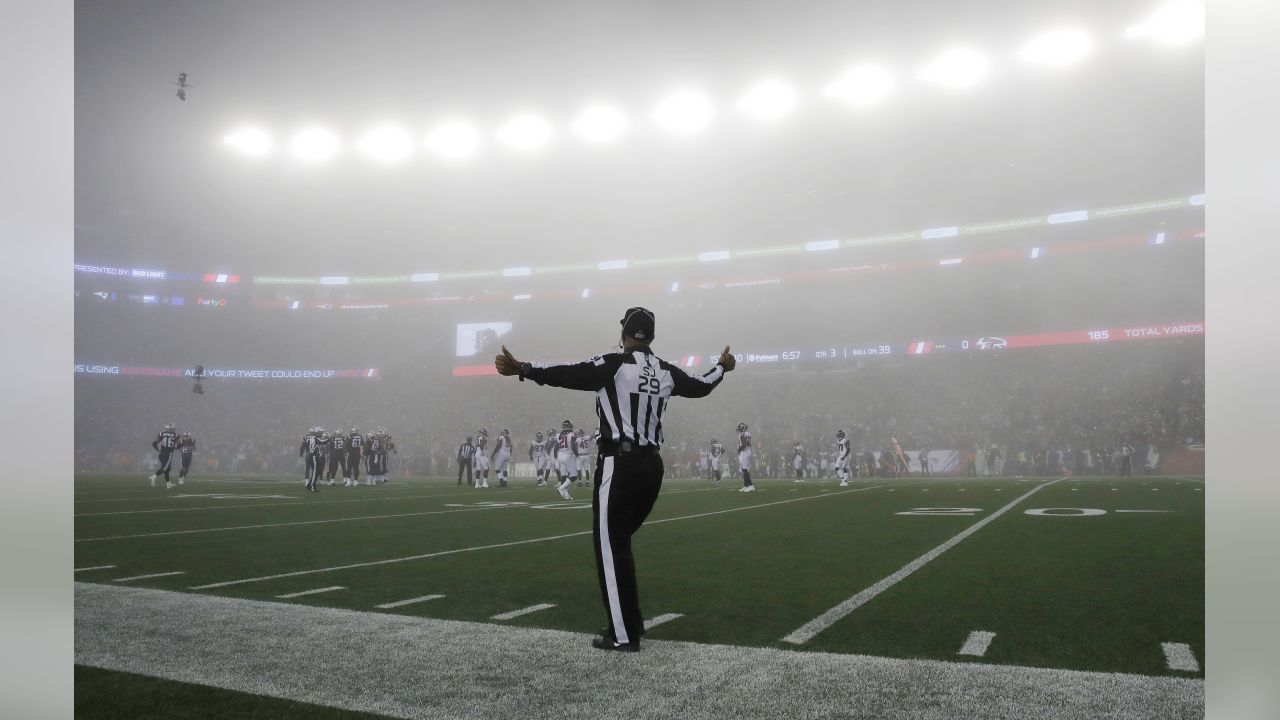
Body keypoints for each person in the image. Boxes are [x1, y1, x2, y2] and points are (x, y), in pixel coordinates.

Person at [494, 306, 735, 652]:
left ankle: (623, 634)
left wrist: (524, 369)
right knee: (618, 542)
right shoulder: (664, 371)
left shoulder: (615, 364)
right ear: (650, 337)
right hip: (652, 468)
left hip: (619, 464)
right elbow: (701, 385)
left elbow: (570, 374)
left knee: (610, 546)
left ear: (624, 334)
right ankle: (631, 622)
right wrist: (722, 367)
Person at [148, 424, 179, 489]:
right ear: (171, 429)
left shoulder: (161, 434)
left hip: (161, 453)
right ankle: (153, 477)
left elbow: (154, 444)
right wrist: (175, 447)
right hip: (168, 454)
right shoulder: (175, 435)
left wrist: (157, 450)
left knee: (168, 469)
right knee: (165, 469)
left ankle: (168, 484)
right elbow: (178, 445)